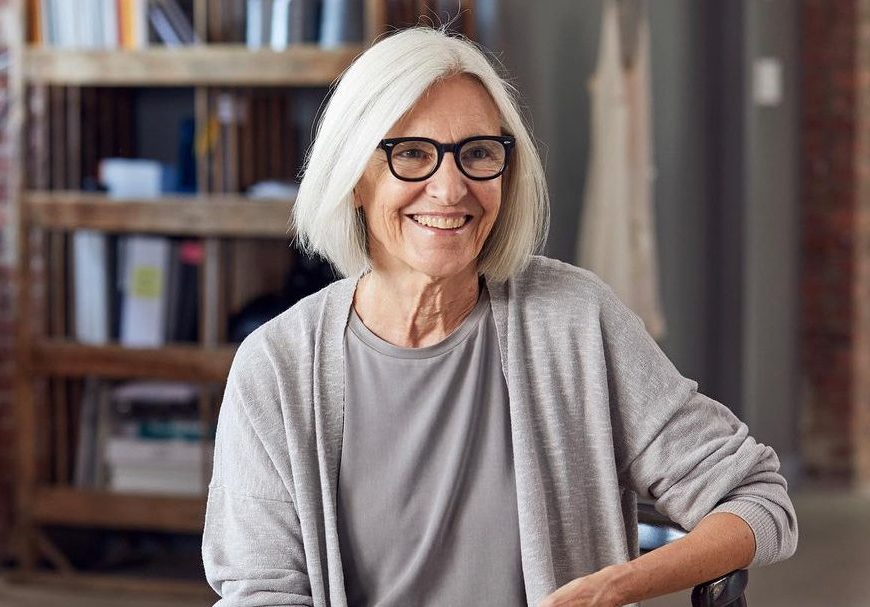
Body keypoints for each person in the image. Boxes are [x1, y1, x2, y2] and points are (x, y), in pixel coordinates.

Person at [202, 26, 797, 607]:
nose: (450, 187)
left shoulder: (575, 321)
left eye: (478, 153)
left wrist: (616, 585)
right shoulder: (275, 368)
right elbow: (263, 591)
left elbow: (757, 498)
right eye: (411, 153)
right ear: (356, 177)